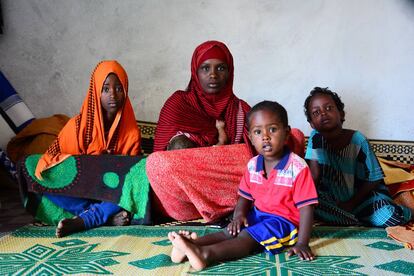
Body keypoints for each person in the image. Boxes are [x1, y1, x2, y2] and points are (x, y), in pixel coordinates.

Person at [167, 101, 318, 271]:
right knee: (230, 231)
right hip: (259, 214)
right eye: (258, 132)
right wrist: (238, 216)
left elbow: (307, 208)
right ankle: (189, 245)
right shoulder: (253, 165)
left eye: (273, 130)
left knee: (246, 236)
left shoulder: (297, 167)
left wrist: (303, 243)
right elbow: (245, 196)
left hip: (284, 223)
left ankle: (205, 254)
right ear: (251, 138)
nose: (265, 137)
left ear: (287, 133)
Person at [33, 60, 141, 237]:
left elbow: (131, 176)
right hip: (81, 191)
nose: (112, 94)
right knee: (36, 172)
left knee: (138, 180)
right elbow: (56, 161)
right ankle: (100, 216)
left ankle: (87, 220)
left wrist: (111, 164)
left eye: (119, 88)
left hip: (112, 193)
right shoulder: (77, 126)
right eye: (105, 89)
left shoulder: (131, 131)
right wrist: (93, 163)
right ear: (95, 92)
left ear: (126, 91)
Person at [303, 87, 412, 227]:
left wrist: (351, 203)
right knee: (308, 205)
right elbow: (314, 176)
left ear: (341, 114)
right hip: (333, 201)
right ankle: (353, 221)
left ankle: (407, 212)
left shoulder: (358, 139)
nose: (323, 113)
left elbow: (374, 179)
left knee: (391, 217)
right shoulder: (315, 138)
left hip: (364, 199)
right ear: (312, 123)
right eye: (316, 112)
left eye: (329, 108)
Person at [153, 40, 251, 152]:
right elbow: (160, 156)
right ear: (195, 72)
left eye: (221, 68)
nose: (213, 75)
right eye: (205, 68)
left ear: (230, 72)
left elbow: (257, 154)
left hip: (228, 168)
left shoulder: (241, 111)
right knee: (179, 144)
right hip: (184, 169)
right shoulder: (178, 104)